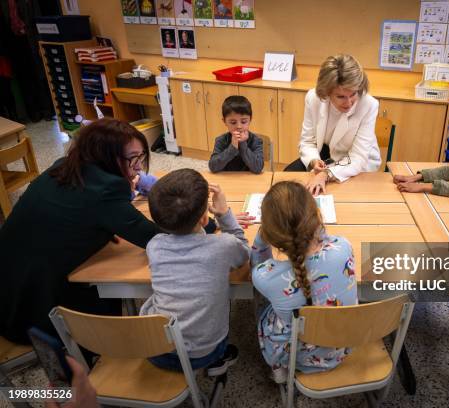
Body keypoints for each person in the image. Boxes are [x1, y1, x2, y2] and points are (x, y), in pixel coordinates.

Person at [0, 118, 160, 344]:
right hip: (35, 309)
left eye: (141, 156)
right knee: (109, 282)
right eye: (133, 158)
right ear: (105, 156)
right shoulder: (106, 189)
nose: (139, 166)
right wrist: (201, 223)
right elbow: (152, 237)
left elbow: (78, 214)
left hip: (8, 287)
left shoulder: (63, 165)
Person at [140, 169, 248, 372]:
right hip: (203, 354)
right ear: (205, 219)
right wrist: (224, 214)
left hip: (154, 348)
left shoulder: (154, 246)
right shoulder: (223, 246)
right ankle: (218, 359)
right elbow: (243, 254)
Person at [251, 181, 358, 382]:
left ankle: (279, 368)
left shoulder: (266, 277)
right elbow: (326, 239)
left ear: (271, 234)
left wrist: (262, 234)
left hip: (296, 356)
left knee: (264, 307)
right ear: (316, 216)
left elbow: (256, 263)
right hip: (343, 346)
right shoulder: (343, 246)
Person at [284, 54, 381, 195]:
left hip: (358, 161)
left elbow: (358, 158)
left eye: (353, 94)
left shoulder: (369, 105)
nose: (348, 103)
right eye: (340, 96)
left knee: (340, 195)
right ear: (327, 92)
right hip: (326, 154)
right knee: (288, 178)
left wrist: (325, 174)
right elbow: (307, 141)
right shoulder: (314, 98)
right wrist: (313, 161)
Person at [208, 95, 264, 173]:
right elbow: (213, 167)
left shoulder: (256, 140)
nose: (239, 126)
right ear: (224, 121)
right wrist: (232, 147)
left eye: (243, 122)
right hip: (227, 180)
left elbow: (258, 168)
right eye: (233, 122)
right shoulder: (221, 140)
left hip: (250, 181)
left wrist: (242, 144)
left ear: (250, 119)